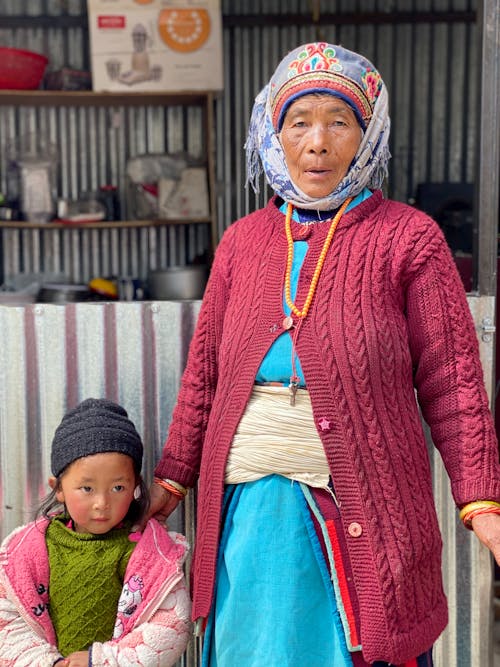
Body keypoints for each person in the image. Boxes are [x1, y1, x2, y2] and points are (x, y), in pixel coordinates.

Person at [146, 42, 500, 666]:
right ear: (272, 133)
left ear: (367, 136)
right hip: (251, 514)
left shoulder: (409, 239)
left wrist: (483, 501)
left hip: (361, 503)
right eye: (299, 122)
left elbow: (454, 383)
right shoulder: (242, 243)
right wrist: (172, 477)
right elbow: (204, 377)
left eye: (339, 122)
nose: (318, 143)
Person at [0, 398, 191, 667]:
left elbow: (172, 625)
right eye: (87, 489)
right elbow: (7, 621)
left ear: (135, 485)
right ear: (59, 489)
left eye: (117, 488)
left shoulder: (148, 551)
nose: (102, 503)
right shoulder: (31, 550)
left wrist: (102, 661)